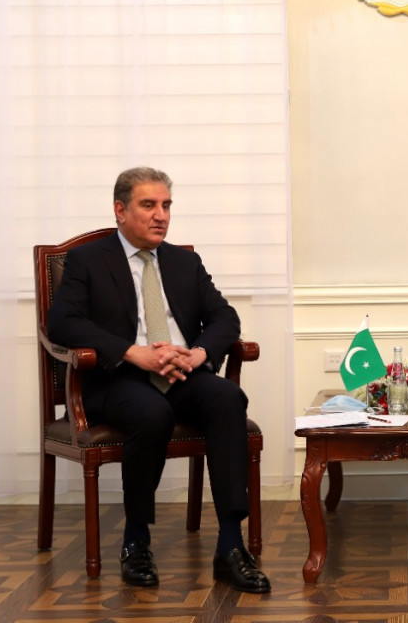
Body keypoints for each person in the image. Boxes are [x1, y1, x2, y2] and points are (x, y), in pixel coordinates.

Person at [47, 167, 270, 593]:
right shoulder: (88, 260)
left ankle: (230, 544)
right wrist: (133, 352)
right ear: (120, 210)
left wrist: (198, 353)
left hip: (182, 373)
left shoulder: (184, 262)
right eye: (148, 205)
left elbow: (224, 317)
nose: (161, 215)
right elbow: (62, 323)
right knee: (152, 413)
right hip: (118, 380)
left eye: (166, 205)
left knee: (227, 397)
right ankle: (136, 541)